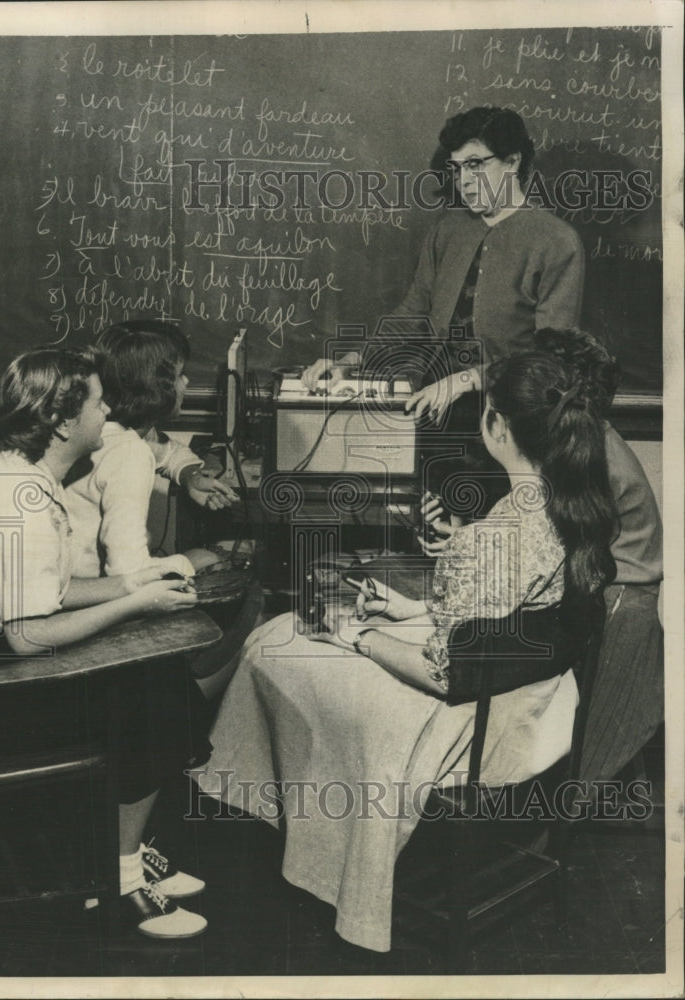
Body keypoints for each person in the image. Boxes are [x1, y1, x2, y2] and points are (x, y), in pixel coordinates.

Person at [193, 351, 616, 952]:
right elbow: (508, 623)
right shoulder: (567, 504)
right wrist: (407, 609)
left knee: (274, 643)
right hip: (534, 702)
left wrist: (356, 635)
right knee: (290, 642)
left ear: (497, 427)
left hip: (469, 727)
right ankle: (300, 825)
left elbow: (443, 670)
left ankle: (283, 828)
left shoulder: (494, 534)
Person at [0, 348, 210, 940]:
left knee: (160, 679)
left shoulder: (24, 477)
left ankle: (115, 858)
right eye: (96, 400)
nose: (108, 408)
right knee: (156, 693)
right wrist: (136, 603)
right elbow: (30, 634)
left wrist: (132, 580)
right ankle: (121, 881)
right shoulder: (19, 494)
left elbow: (51, 593)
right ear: (62, 420)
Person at [301, 107, 585, 425]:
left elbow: (550, 360)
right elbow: (413, 313)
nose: (464, 181)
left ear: (512, 161)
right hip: (434, 406)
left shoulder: (557, 241)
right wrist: (350, 362)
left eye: (476, 164)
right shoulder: (448, 230)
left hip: (514, 416)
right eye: (457, 168)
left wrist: (463, 382)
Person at [532, 327, 664, 783]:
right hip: (613, 594)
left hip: (623, 606)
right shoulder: (592, 439)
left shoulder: (594, 453)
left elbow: (563, 547)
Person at [65, 319, 238, 581]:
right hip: (90, 591)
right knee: (217, 563)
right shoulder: (128, 452)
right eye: (180, 375)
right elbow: (128, 572)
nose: (187, 381)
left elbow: (168, 452)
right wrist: (191, 561)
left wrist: (191, 477)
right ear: (155, 386)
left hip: (79, 582)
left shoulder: (113, 431)